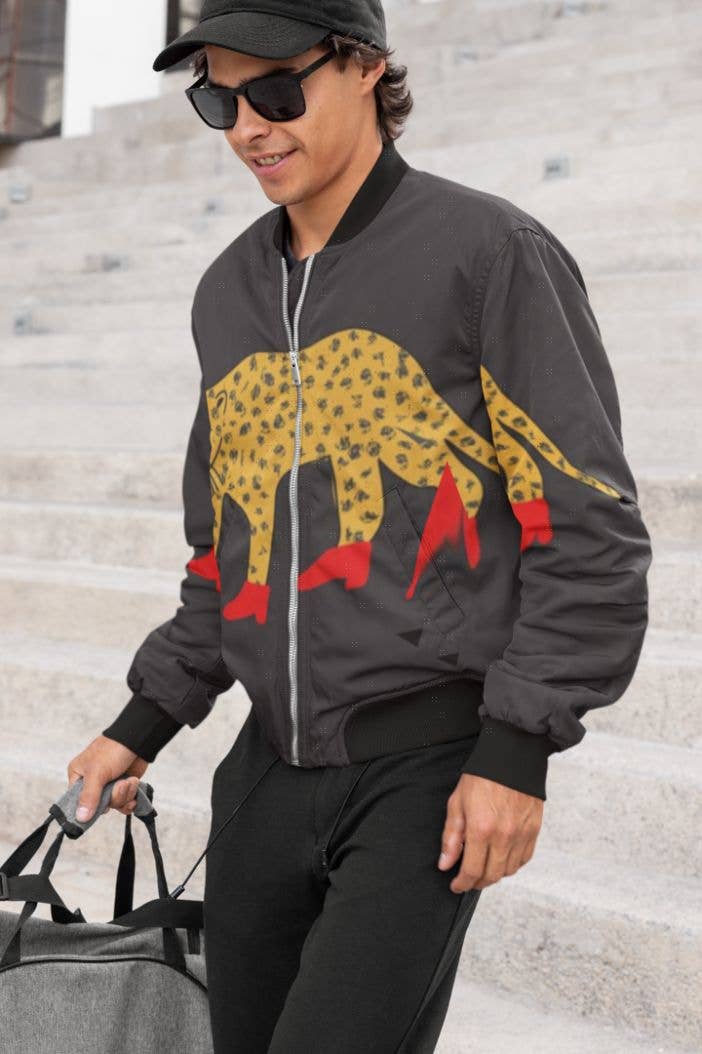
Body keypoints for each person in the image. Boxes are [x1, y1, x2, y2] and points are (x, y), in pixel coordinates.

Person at [66, 2, 653, 1050]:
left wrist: (517, 751)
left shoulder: (490, 253)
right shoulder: (228, 291)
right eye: (220, 101)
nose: (250, 127)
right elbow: (226, 552)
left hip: (424, 770)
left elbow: (587, 524)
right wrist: (141, 721)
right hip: (264, 776)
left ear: (368, 67)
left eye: (276, 89)